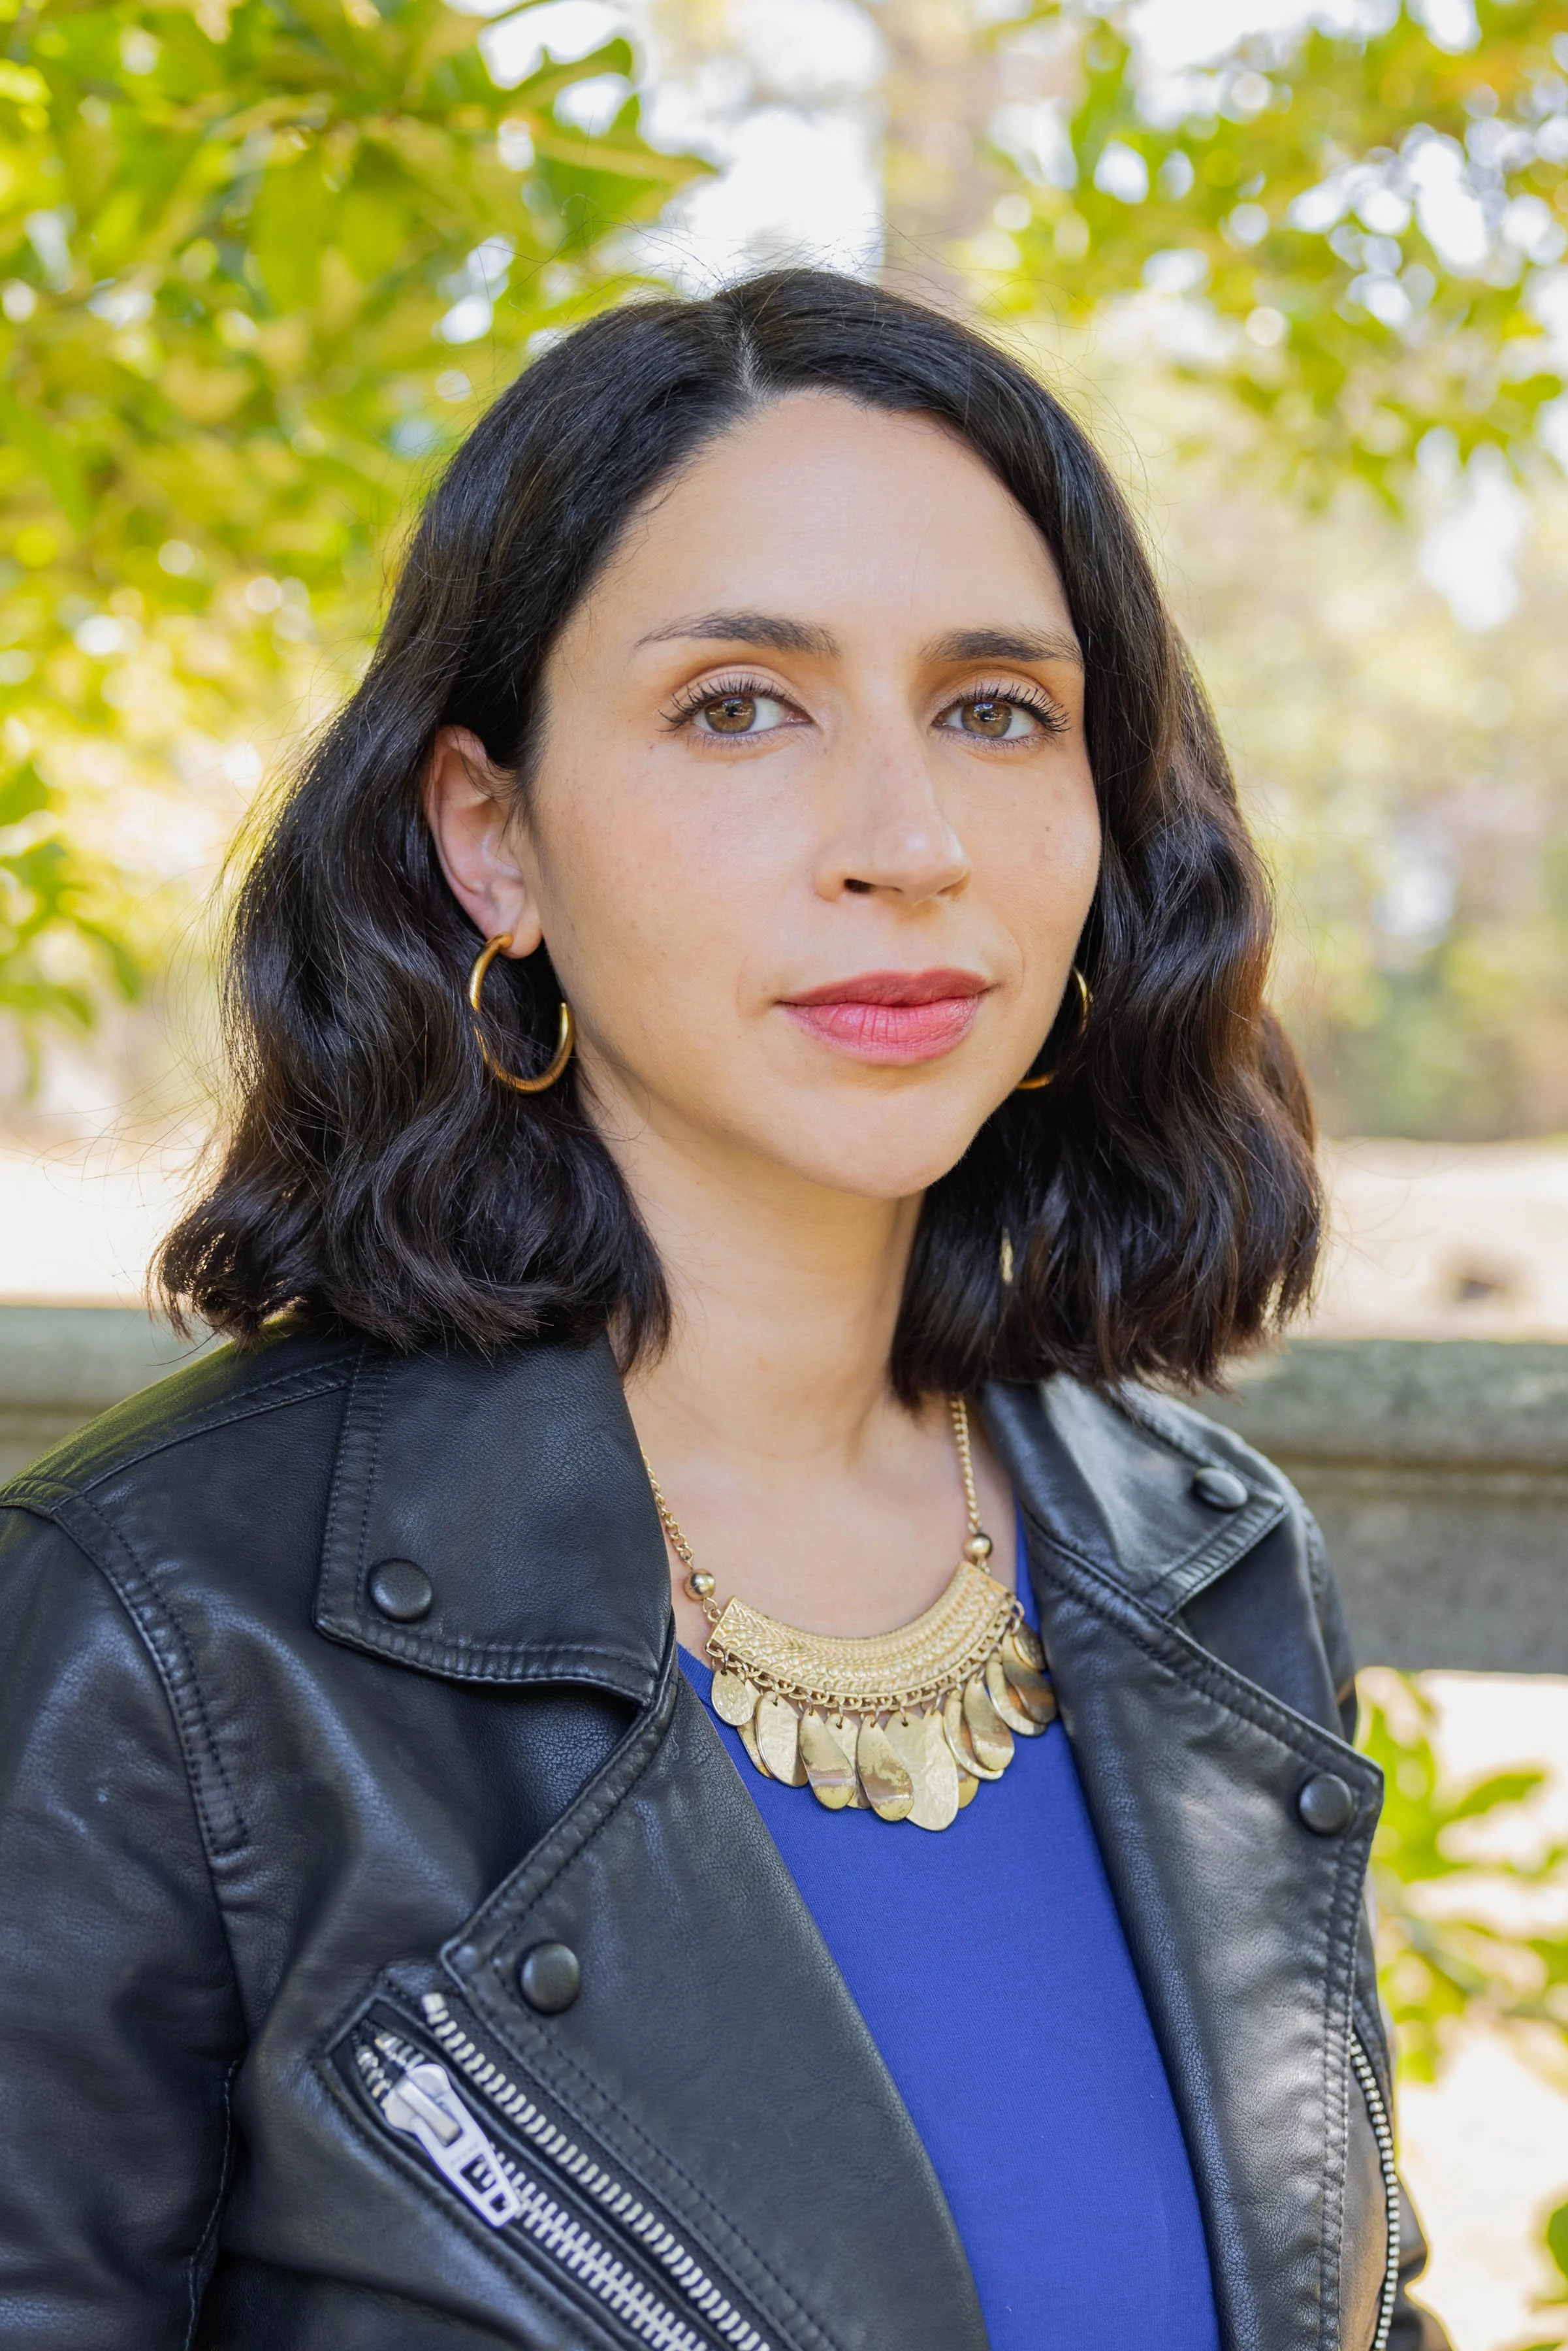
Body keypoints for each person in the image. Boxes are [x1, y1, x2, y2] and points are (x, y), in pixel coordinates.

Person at [0, 269, 1446, 2351]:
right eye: (739, 706)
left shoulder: (1206, 1562)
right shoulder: (160, 1642)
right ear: (490, 839)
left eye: (996, 709)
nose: (908, 841)